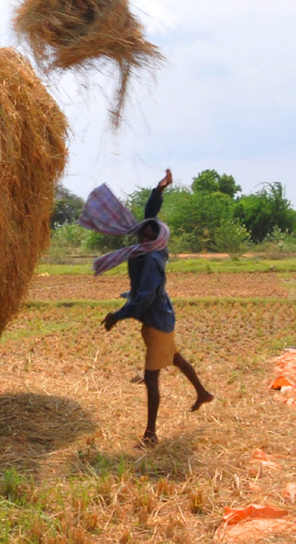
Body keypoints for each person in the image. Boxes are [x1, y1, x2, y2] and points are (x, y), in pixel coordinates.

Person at [79, 169, 214, 447]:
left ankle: (150, 434)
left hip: (157, 323)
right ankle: (202, 393)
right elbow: (150, 215)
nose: (143, 231)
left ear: (155, 237)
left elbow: (143, 299)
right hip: (160, 319)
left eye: (148, 230)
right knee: (175, 358)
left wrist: (118, 315)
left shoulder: (152, 259)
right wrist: (159, 189)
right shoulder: (147, 249)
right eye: (143, 228)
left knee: (151, 378)